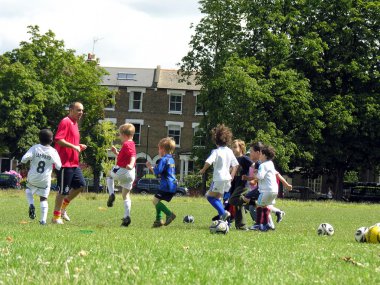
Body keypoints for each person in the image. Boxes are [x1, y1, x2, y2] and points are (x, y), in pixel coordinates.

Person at [52, 102, 87, 224]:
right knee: (63, 191)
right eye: (78, 110)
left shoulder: (75, 123)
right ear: (71, 110)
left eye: (82, 110)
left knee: (80, 185)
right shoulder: (65, 121)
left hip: (74, 163)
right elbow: (58, 139)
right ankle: (56, 217)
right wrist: (74, 146)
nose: (81, 112)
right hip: (64, 163)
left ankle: (62, 209)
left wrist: (78, 146)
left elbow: (69, 141)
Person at [21, 129, 62, 225]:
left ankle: (31, 204)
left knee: (28, 189)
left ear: (39, 139)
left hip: (33, 177)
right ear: (52, 140)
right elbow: (59, 166)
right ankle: (43, 220)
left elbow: (24, 158)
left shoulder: (35, 148)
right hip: (45, 179)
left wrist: (22, 165)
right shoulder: (53, 151)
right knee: (43, 198)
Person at [199, 124, 239, 221]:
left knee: (210, 197)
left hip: (218, 179)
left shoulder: (216, 151)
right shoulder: (229, 151)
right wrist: (232, 175)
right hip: (227, 179)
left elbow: (208, 161)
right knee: (217, 198)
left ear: (216, 140)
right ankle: (224, 221)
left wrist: (203, 170)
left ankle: (223, 213)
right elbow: (236, 165)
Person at [106, 123, 136, 227]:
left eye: (119, 134)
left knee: (108, 174)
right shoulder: (132, 143)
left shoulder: (127, 144)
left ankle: (111, 194)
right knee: (125, 195)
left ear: (124, 134)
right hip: (131, 174)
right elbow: (125, 157)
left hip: (123, 170)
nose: (119, 137)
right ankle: (126, 217)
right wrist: (116, 153)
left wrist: (131, 164)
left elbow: (132, 156)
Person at [244, 146, 279, 231]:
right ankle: (266, 224)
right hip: (274, 190)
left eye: (261, 154)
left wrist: (256, 174)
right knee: (265, 206)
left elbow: (260, 176)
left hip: (265, 190)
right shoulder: (271, 163)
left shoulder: (263, 165)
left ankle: (258, 224)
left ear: (264, 155)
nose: (260, 156)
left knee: (259, 206)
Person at [146, 137, 177, 228]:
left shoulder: (163, 159)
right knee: (157, 200)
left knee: (155, 200)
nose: (158, 151)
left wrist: (149, 166)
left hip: (166, 185)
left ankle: (169, 214)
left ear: (162, 149)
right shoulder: (171, 159)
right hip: (172, 185)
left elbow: (157, 172)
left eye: (159, 148)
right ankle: (158, 220)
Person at [228, 139, 253, 230]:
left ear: (241, 148)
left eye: (235, 147)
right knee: (237, 205)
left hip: (243, 185)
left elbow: (254, 165)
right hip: (234, 185)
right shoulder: (233, 160)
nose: (233, 149)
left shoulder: (244, 158)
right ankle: (241, 226)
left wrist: (256, 175)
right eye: (231, 147)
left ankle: (253, 202)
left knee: (232, 200)